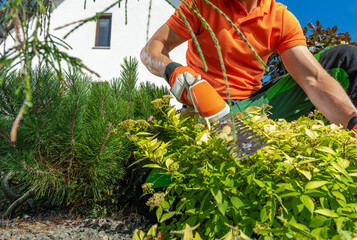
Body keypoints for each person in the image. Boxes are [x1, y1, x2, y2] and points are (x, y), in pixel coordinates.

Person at [141, 0, 357, 132]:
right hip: (203, 110)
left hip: (251, 109)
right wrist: (175, 72)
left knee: (345, 60)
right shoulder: (201, 5)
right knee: (150, 199)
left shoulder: (280, 19)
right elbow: (152, 49)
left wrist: (351, 120)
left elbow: (313, 79)